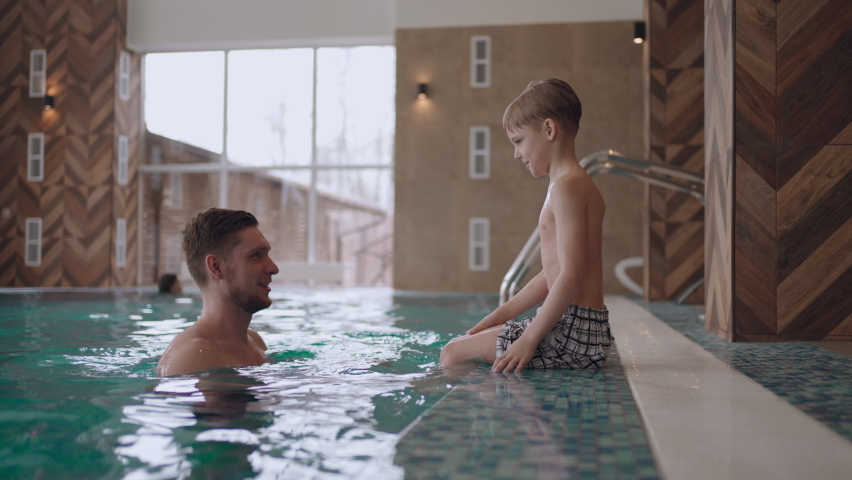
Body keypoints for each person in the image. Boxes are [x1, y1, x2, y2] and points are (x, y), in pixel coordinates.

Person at [440, 78, 612, 373]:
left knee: (452, 354)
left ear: (549, 129)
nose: (516, 154)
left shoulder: (567, 188)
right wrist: (497, 318)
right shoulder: (573, 184)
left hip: (572, 333)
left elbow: (572, 275)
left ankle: (476, 403)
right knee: (465, 345)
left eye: (519, 141)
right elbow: (552, 275)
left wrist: (529, 339)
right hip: (585, 331)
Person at [157, 208, 279, 376]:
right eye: (256, 256)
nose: (273, 268)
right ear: (216, 267)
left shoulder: (254, 341)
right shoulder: (195, 355)